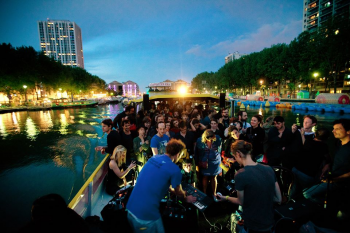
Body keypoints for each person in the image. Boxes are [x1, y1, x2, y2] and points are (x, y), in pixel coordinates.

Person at [126, 139, 197, 233]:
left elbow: (158, 180)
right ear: (178, 154)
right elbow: (179, 192)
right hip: (145, 217)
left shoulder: (153, 159)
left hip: (130, 209)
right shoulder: (174, 169)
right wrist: (185, 198)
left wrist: (171, 191)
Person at [216, 140, 282, 233]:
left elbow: (240, 201)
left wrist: (226, 198)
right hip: (269, 222)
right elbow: (278, 198)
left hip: (253, 224)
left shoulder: (241, 174)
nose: (235, 160)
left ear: (238, 154)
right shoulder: (269, 169)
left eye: (234, 157)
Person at [304, 119, 350, 206]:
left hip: (340, 182)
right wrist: (328, 165)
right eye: (333, 128)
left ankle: (330, 205)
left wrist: (336, 179)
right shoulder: (339, 143)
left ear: (348, 131)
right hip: (331, 177)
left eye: (337, 129)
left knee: (306, 193)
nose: (333, 131)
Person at [290, 128, 330, 200]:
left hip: (296, 169)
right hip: (308, 174)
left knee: (293, 190)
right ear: (327, 138)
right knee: (307, 192)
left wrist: (302, 134)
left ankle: (290, 203)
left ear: (315, 135)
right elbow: (327, 158)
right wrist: (327, 164)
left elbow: (303, 142)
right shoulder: (324, 146)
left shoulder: (308, 142)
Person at [195, 129, 222, 196]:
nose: (210, 140)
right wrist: (197, 163)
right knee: (205, 177)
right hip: (204, 162)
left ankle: (214, 194)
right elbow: (196, 152)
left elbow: (220, 150)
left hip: (215, 162)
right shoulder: (199, 141)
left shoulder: (218, 139)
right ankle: (204, 193)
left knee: (214, 177)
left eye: (211, 138)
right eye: (208, 139)